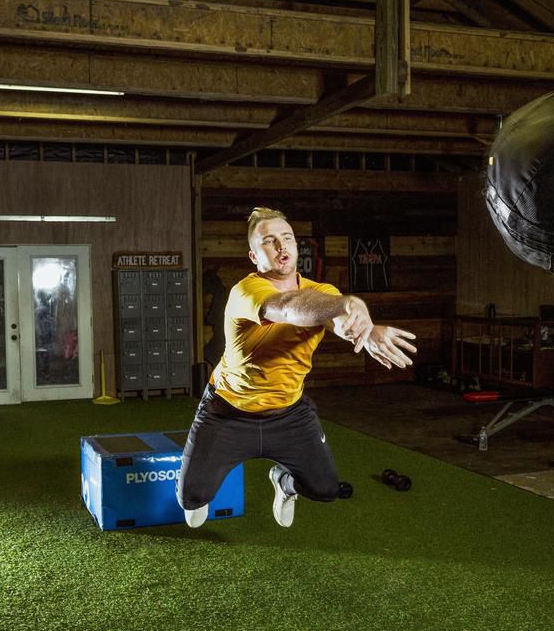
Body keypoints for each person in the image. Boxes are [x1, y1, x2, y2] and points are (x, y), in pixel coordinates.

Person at [177, 208, 417, 529]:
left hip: (290, 414)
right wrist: (347, 303)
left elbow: (334, 317)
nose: (281, 247)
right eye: (270, 241)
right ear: (254, 255)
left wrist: (363, 328)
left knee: (326, 489)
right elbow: (289, 308)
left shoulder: (324, 293)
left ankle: (283, 482)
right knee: (191, 500)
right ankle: (197, 490)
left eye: (287, 238)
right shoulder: (245, 292)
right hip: (229, 412)